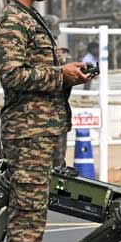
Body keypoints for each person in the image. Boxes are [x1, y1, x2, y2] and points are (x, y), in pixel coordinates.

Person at [0, 0, 91, 242]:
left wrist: (69, 73)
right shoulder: (11, 22)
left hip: (44, 125)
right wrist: (58, 74)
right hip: (28, 130)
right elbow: (14, 75)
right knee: (28, 209)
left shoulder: (30, 18)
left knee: (34, 208)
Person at [42, 14, 70, 170]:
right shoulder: (33, 52)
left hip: (58, 119)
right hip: (40, 122)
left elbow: (64, 89)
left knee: (58, 168)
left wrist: (64, 66)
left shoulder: (58, 55)